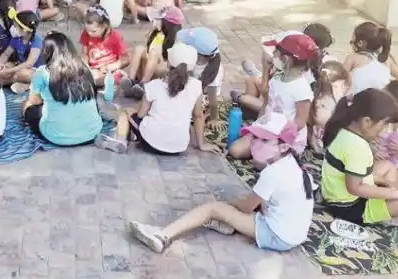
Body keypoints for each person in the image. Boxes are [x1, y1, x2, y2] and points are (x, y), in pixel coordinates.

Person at [130, 113, 314, 254]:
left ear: (283, 147)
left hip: (276, 236)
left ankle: (162, 236)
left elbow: (247, 206)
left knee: (213, 208)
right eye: (255, 137)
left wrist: (225, 207)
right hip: (293, 233)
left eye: (265, 140)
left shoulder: (273, 173)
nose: (256, 143)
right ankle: (226, 223)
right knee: (236, 207)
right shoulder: (291, 164)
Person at [96, 43, 214, 155]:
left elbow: (141, 115)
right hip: (179, 146)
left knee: (125, 111)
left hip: (151, 142)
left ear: (168, 64)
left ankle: (121, 139)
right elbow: (198, 116)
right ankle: (131, 135)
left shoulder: (154, 85)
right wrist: (201, 145)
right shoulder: (196, 86)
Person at [320, 88, 398, 225]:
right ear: (366, 121)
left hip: (333, 194)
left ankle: (389, 202)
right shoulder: (358, 147)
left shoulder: (343, 130)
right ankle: (385, 210)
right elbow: (355, 188)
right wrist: (394, 193)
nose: (384, 129)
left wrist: (388, 185)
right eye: (384, 124)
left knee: (388, 166)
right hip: (350, 208)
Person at [229, 33, 319, 159]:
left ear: (286, 59)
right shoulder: (277, 77)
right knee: (235, 149)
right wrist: (258, 127)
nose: (273, 56)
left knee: (259, 160)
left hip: (286, 138)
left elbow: (299, 122)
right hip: (270, 127)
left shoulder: (302, 90)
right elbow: (267, 102)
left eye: (276, 52)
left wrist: (275, 135)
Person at [22, 32, 103, 146]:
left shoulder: (42, 72)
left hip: (57, 136)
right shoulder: (85, 67)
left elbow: (35, 101)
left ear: (46, 52)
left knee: (26, 104)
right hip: (92, 133)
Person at [238, 23, 335, 110]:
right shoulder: (309, 63)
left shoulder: (297, 79)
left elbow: (268, 97)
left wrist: (265, 69)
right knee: (251, 81)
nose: (274, 54)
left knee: (242, 95)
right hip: (284, 109)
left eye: (277, 51)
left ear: (287, 58)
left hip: (280, 113)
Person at [126, 6, 185, 94]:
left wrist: (154, 55)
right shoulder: (156, 33)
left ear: (167, 24)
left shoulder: (176, 40)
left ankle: (143, 85)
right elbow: (147, 50)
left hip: (161, 72)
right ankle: (130, 81)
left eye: (158, 20)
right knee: (139, 49)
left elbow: (170, 64)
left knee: (153, 53)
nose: (155, 22)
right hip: (148, 68)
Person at [177, 27, 224, 121]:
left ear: (198, 53)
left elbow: (212, 101)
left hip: (204, 98)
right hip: (190, 90)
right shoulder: (192, 58)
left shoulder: (215, 71)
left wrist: (214, 119)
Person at [79, 5, 129, 86]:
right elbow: (84, 53)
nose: (89, 33)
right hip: (94, 69)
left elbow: (126, 59)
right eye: (87, 30)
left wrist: (112, 66)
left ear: (104, 26)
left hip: (110, 68)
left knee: (92, 79)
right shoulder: (86, 34)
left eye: (93, 31)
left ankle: (114, 79)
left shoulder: (116, 37)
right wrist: (85, 64)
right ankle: (113, 80)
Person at [344, 21, 398, 94]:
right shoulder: (386, 59)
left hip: (359, 100)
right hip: (382, 99)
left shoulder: (352, 57)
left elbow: (341, 77)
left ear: (360, 43)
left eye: (353, 39)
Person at [0, 10, 43, 92]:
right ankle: (22, 84)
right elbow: (6, 54)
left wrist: (8, 71)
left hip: (35, 70)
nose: (13, 28)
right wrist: (1, 64)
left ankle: (1, 82)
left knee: (22, 74)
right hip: (20, 65)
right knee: (1, 65)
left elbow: (29, 64)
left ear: (24, 30)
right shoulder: (17, 38)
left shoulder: (37, 41)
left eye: (15, 26)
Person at [310, 61, 350, 154]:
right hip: (326, 151)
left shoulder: (316, 98)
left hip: (316, 145)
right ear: (339, 83)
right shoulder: (330, 106)